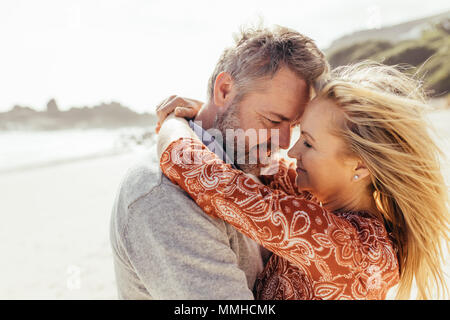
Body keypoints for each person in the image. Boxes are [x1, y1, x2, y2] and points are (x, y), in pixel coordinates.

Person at [157, 62, 449, 300]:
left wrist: (174, 123)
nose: (292, 150)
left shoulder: (330, 239)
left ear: (359, 165)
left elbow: (200, 174)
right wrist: (212, 115)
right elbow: (263, 164)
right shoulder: (373, 230)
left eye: (308, 143)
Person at [109, 25, 329, 299]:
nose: (284, 142)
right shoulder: (164, 197)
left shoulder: (247, 160)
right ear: (224, 91)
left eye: (294, 125)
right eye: (273, 121)